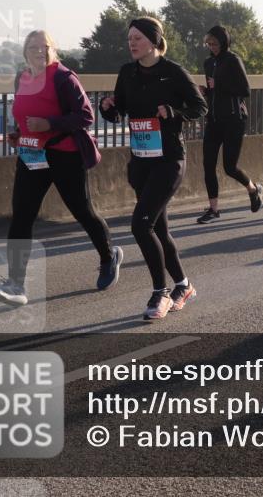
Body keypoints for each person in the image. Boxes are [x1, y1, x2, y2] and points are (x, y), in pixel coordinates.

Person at [0, 31, 119, 307]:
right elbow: (23, 115)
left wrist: (49, 124)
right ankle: (15, 284)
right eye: (33, 47)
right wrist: (19, 134)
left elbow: (85, 116)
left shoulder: (63, 77)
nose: (39, 52)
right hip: (32, 154)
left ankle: (109, 257)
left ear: (53, 50)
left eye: (45, 47)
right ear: (25, 51)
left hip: (64, 154)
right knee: (22, 216)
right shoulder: (21, 78)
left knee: (82, 211)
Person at [99, 17, 207, 321]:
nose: (131, 43)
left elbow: (200, 108)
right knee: (159, 229)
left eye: (138, 38)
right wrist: (107, 108)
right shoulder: (127, 72)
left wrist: (173, 112)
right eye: (129, 38)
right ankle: (183, 286)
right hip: (141, 161)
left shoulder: (173, 73)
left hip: (169, 160)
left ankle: (160, 292)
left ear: (154, 40)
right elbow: (119, 110)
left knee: (140, 225)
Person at [196, 26, 263, 224]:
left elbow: (245, 90)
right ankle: (214, 209)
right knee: (208, 164)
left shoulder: (233, 60)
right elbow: (213, 91)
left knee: (229, 167)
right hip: (214, 120)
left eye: (214, 43)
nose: (211, 47)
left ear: (224, 42)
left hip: (234, 119)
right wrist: (205, 92)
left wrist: (219, 85)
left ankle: (253, 189)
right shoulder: (208, 62)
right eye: (208, 43)